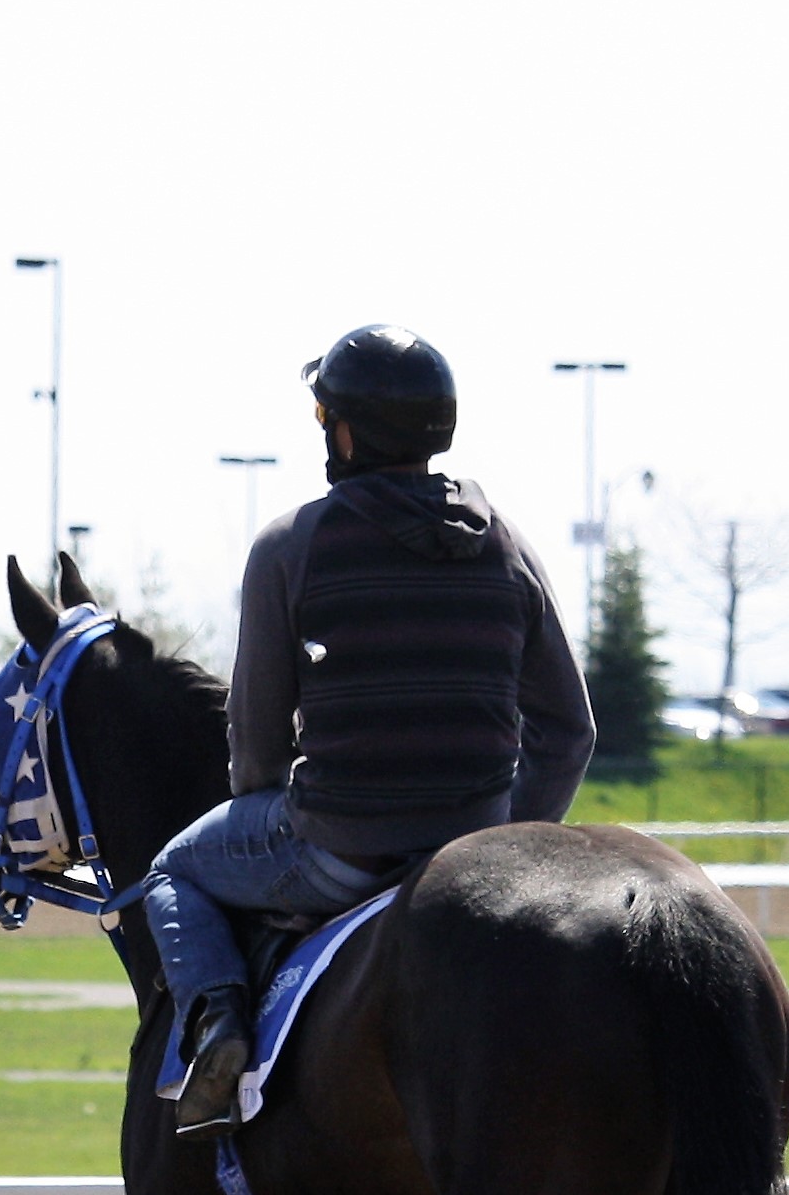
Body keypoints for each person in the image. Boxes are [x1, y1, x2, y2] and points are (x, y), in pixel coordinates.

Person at [140, 324, 595, 1139]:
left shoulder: (291, 543)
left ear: (346, 431)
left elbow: (254, 744)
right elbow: (569, 732)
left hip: (333, 847)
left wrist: (265, 808)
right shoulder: (506, 543)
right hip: (477, 848)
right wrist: (508, 842)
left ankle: (219, 1031)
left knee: (173, 867)